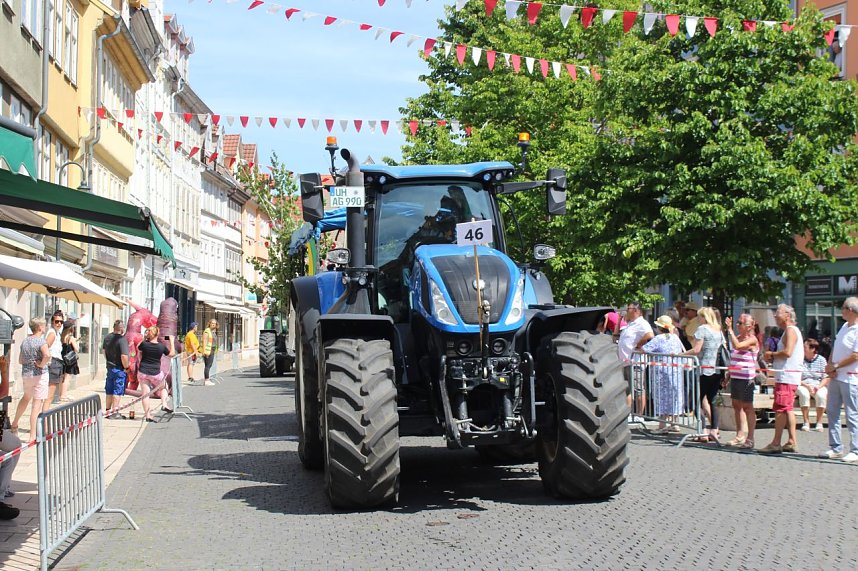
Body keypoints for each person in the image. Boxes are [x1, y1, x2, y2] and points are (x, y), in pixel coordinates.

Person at [760, 304, 803, 454]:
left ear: (787, 315)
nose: (776, 316)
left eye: (778, 313)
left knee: (780, 408)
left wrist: (771, 354)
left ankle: (776, 443)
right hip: (788, 375)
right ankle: (791, 441)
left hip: (786, 376)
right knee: (788, 408)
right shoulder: (789, 331)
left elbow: (788, 352)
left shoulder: (790, 331)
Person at [819, 297, 858, 462]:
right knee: (832, 411)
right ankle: (835, 447)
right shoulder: (844, 326)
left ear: (850, 310)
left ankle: (855, 449)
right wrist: (830, 366)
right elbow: (836, 347)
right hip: (836, 376)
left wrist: (835, 366)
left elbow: (856, 355)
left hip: (850, 378)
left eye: (843, 308)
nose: (841, 310)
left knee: (852, 414)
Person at [681, 307, 724, 442]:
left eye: (699, 317)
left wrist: (681, 354)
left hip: (703, 370)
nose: (698, 319)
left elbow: (696, 349)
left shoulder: (703, 329)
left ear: (704, 317)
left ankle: (703, 431)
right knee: (713, 401)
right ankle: (714, 430)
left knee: (695, 400)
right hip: (717, 370)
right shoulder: (718, 330)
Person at [642, 315, 685, 432]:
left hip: (662, 372)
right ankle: (675, 423)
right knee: (675, 396)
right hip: (676, 371)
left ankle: (662, 425)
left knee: (661, 397)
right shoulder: (675, 338)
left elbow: (644, 349)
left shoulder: (658, 338)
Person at [11, 317, 51, 437]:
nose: (45, 327)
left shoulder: (25, 341)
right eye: (44, 325)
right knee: (36, 404)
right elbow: (47, 355)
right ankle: (32, 436)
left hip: (27, 375)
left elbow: (20, 360)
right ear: (39, 327)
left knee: (26, 398)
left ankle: (15, 423)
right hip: (40, 375)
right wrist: (41, 364)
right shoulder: (41, 341)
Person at [724, 314, 760, 448]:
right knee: (736, 405)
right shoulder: (737, 338)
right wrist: (728, 374)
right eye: (737, 323)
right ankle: (739, 435)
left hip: (746, 378)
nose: (738, 325)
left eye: (740, 323)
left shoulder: (752, 339)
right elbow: (734, 357)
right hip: (736, 376)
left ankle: (750, 438)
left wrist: (730, 330)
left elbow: (738, 346)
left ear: (749, 326)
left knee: (747, 407)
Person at [618, 302, 654, 422]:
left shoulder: (642, 323)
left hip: (636, 362)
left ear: (636, 311)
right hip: (626, 361)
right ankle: (629, 413)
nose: (626, 311)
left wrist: (639, 344)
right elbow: (617, 334)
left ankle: (639, 414)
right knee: (628, 388)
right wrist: (619, 320)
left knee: (638, 388)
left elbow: (650, 335)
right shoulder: (630, 323)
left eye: (628, 309)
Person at [137, 326, 176, 422]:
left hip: (143, 372)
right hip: (155, 373)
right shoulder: (161, 347)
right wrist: (171, 341)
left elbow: (138, 347)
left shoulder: (144, 344)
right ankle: (164, 404)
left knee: (145, 394)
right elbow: (172, 354)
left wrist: (144, 338)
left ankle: (148, 415)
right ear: (157, 334)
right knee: (164, 387)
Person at [798, 338, 829, 432]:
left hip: (818, 384)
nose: (803, 349)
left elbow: (826, 377)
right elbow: (796, 376)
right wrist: (807, 386)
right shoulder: (799, 359)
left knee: (821, 395)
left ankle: (819, 422)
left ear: (812, 349)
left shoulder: (821, 360)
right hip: (803, 384)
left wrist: (818, 387)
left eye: (805, 347)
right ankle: (806, 422)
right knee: (804, 394)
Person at [103, 319, 130, 418]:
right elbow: (124, 356)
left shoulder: (107, 338)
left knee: (109, 389)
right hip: (119, 368)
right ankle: (115, 412)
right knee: (117, 390)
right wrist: (126, 367)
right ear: (122, 328)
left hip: (110, 367)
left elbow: (104, 351)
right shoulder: (122, 340)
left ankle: (107, 411)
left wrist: (109, 361)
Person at [44, 310, 65, 408]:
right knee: (49, 396)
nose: (59, 323)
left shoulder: (57, 333)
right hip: (53, 363)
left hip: (56, 364)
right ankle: (43, 420)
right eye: (57, 321)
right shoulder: (52, 333)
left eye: (61, 322)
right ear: (52, 322)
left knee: (50, 395)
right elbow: (45, 347)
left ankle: (43, 418)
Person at [58, 324, 80, 403]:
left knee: (62, 378)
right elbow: (76, 349)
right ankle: (63, 395)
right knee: (67, 378)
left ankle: (61, 394)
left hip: (62, 358)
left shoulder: (61, 337)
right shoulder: (71, 338)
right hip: (70, 360)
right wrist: (76, 342)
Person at [201, 319, 219, 386]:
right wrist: (205, 351)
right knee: (207, 365)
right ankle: (206, 380)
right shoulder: (207, 331)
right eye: (212, 323)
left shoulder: (213, 331)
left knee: (209, 365)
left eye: (215, 323)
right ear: (209, 323)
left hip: (212, 349)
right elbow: (204, 341)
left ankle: (207, 379)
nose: (213, 324)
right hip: (209, 350)